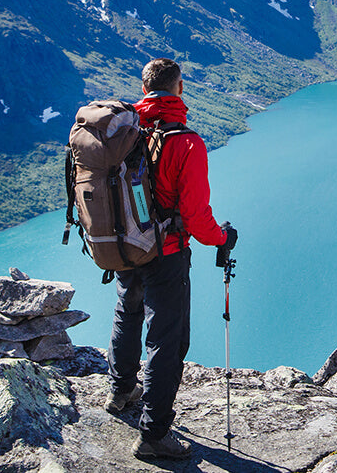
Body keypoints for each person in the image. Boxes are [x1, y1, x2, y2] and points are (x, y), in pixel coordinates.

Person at [105, 57, 238, 460]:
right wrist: (223, 238)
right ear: (178, 87)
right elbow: (196, 217)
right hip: (167, 254)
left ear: (144, 89)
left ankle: (122, 389)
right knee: (167, 338)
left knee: (127, 313)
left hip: (127, 247)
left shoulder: (125, 132)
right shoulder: (186, 142)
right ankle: (154, 435)